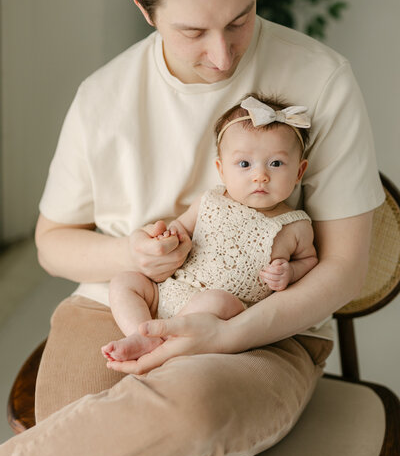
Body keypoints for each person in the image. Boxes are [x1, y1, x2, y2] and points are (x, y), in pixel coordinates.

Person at [0, 0, 384, 456]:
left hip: (264, 324)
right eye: (191, 31)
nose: (224, 56)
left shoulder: (321, 78)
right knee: (82, 426)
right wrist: (133, 254)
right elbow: (53, 240)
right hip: (115, 306)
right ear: (144, 7)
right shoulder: (103, 98)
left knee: (188, 414)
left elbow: (345, 267)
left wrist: (227, 335)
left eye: (240, 19)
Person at [102, 95, 319, 364]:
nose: (260, 175)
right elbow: (180, 227)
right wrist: (169, 237)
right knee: (124, 282)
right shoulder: (209, 201)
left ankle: (163, 340)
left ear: (299, 172)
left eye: (276, 163)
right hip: (170, 290)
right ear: (221, 170)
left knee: (216, 300)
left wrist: (290, 272)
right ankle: (142, 334)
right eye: (244, 164)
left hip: (222, 313)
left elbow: (309, 260)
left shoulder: (296, 225)